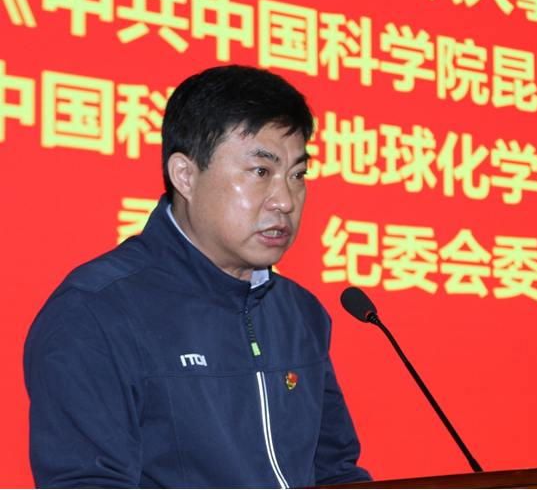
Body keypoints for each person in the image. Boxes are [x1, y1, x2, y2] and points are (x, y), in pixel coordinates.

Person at [24, 65, 372, 488]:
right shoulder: (95, 313)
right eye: (261, 172)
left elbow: (335, 473)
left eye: (297, 175)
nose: (285, 200)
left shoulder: (300, 312)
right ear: (185, 176)